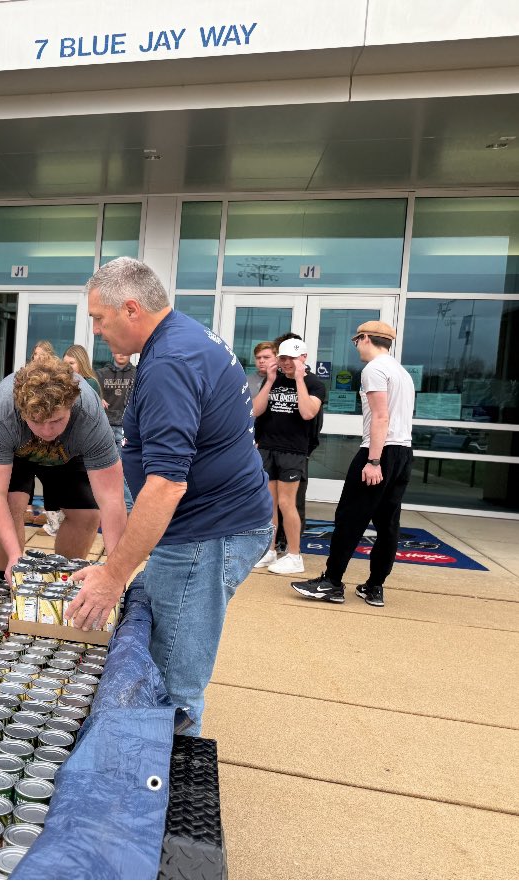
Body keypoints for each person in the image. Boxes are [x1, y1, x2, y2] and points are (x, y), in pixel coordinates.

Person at [68, 257, 272, 736]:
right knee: (162, 648)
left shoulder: (170, 363)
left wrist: (113, 576)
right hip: (207, 524)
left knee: (172, 688)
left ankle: (167, 789)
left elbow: (166, 483)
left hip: (207, 531)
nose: (95, 331)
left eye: (99, 318)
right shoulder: (186, 338)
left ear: (131, 309)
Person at [292, 321, 415, 608]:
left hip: (380, 452)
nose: (356, 345)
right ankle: (374, 587)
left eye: (356, 340)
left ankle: (332, 582)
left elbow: (381, 417)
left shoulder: (374, 370)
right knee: (388, 524)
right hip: (403, 452)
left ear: (365, 338)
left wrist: (373, 460)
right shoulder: (401, 372)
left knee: (350, 517)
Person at [0, 355, 128, 582]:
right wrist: (14, 556)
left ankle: (62, 582)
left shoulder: (89, 415)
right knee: (11, 504)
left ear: (71, 405)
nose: (46, 431)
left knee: (88, 514)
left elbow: (112, 498)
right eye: (37, 421)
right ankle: (3, 578)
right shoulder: (2, 413)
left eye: (56, 420)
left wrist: (116, 572)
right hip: (14, 448)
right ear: (21, 409)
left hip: (68, 450)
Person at [251, 337, 325, 575]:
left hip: (293, 451)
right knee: (269, 503)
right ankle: (270, 550)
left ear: (303, 358)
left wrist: (300, 379)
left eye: (292, 358)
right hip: (268, 447)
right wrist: (271, 380)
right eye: (283, 358)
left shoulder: (315, 383)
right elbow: (255, 410)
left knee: (286, 503)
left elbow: (307, 412)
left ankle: (294, 555)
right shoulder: (274, 379)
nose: (286, 363)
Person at [95, 350, 137, 508]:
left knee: (124, 469)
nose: (121, 354)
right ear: (112, 353)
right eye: (118, 352)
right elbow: (90, 390)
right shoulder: (100, 374)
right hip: (104, 427)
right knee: (103, 468)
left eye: (125, 352)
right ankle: (105, 505)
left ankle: (127, 507)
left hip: (126, 428)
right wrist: (98, 397)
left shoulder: (136, 374)